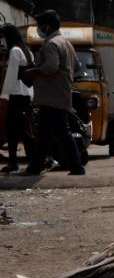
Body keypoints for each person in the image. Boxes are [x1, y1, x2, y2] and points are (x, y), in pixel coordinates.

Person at [21, 10, 85, 176]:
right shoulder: (66, 43)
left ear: (47, 26)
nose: (39, 29)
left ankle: (77, 166)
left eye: (40, 26)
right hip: (60, 94)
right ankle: (36, 166)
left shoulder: (51, 44)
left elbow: (50, 67)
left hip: (52, 96)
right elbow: (77, 68)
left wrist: (32, 72)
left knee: (60, 132)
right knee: (45, 134)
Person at [2, 24, 34, 173]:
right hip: (26, 94)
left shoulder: (15, 51)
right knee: (17, 129)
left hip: (16, 93)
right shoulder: (27, 50)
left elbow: (11, 74)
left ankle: (34, 159)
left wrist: (4, 94)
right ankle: (15, 161)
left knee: (18, 129)